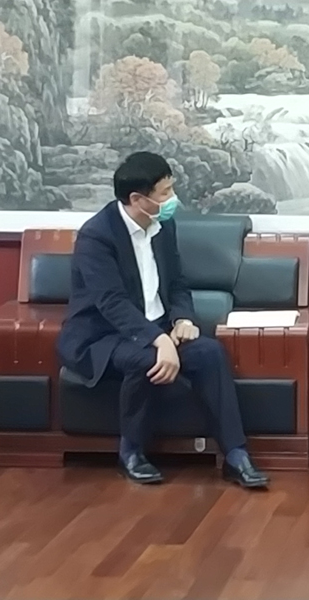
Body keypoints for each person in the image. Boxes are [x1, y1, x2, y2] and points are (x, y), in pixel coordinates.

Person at [57, 152, 269, 489]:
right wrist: (159, 341)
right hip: (102, 336)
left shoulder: (162, 225)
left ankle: (235, 454)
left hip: (157, 329)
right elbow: (111, 303)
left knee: (210, 353)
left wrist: (183, 318)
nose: (173, 199)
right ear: (137, 199)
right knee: (147, 360)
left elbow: (177, 283)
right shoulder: (96, 236)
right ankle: (131, 452)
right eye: (165, 193)